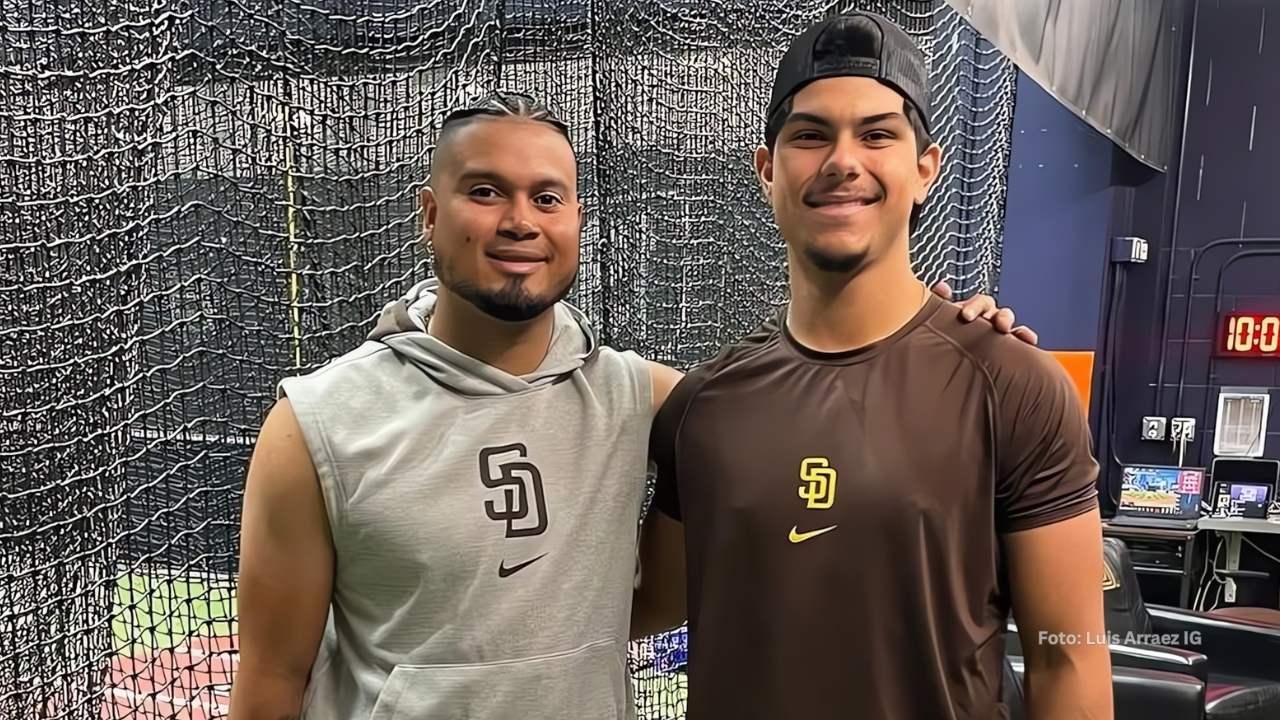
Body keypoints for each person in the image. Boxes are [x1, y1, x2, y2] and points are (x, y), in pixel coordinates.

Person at [228, 92, 1036, 719]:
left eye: (548, 198)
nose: (520, 221)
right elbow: (269, 685)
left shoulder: (637, 396)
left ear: (577, 221)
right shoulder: (317, 425)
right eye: (485, 192)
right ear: (431, 214)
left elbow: (808, 404)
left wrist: (942, 338)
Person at [638, 12, 1113, 720]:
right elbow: (635, 607)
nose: (842, 161)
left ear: (926, 169)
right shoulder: (701, 407)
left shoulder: (1013, 387)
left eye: (877, 134)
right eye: (809, 135)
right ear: (767, 170)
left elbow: (1067, 656)